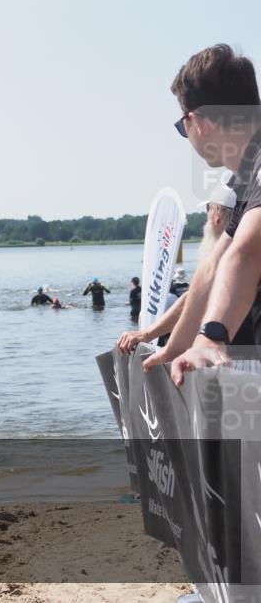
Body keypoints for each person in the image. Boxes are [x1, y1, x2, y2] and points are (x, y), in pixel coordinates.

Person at [140, 44, 261, 383]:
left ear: (197, 122)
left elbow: (247, 254)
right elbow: (213, 267)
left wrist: (211, 336)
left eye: (183, 127)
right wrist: (175, 347)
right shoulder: (246, 175)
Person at [117, 184, 236, 353]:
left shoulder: (228, 252)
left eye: (208, 209)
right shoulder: (246, 246)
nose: (206, 217)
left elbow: (194, 300)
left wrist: (146, 334)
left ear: (217, 215)